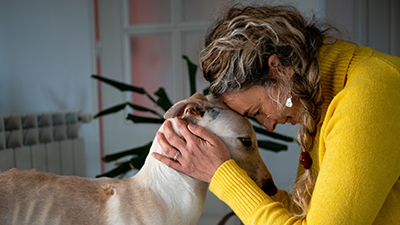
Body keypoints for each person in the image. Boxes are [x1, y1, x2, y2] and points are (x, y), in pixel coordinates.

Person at [152, 4, 400, 224]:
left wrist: (222, 176)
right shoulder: (322, 99)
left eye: (257, 111)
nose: (268, 126)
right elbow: (305, 215)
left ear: (278, 70)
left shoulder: (368, 97)